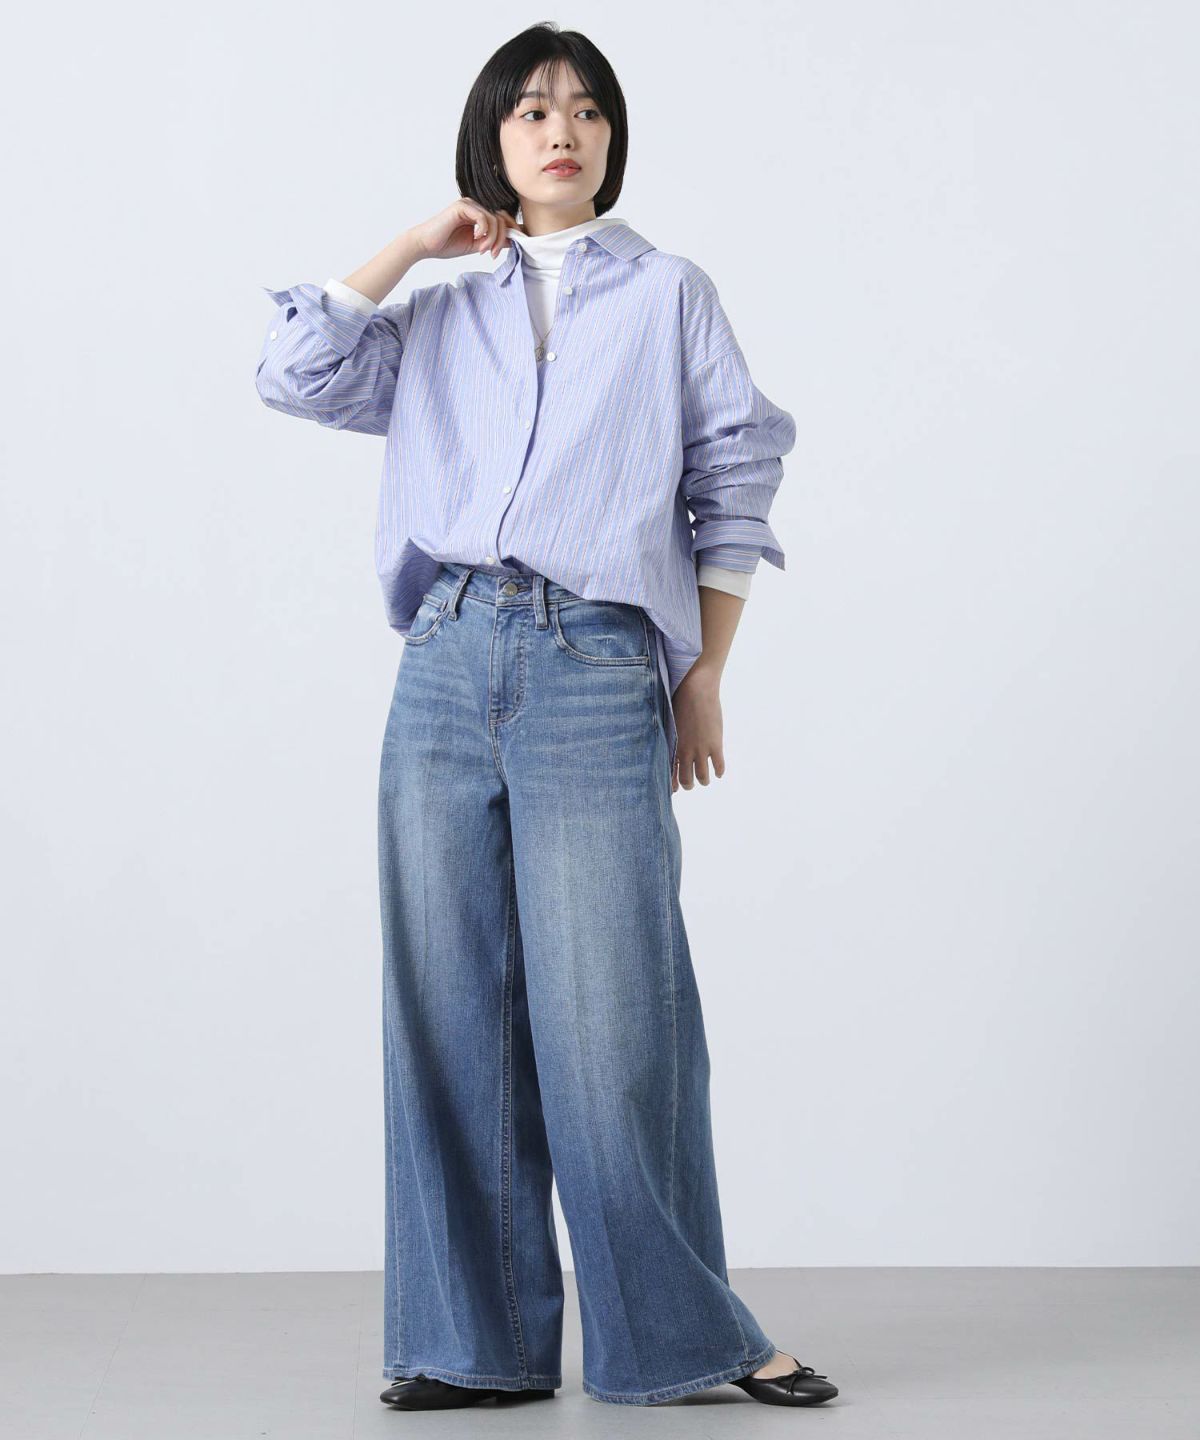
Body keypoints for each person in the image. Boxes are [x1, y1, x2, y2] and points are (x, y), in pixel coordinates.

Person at [255, 21, 838, 1412]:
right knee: (447, 1006)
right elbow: (292, 371)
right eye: (529, 110)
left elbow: (734, 478)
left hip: (593, 664)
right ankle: (474, 1345)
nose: (560, 129)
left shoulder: (669, 295)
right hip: (445, 662)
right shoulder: (441, 314)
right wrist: (415, 243)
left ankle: (681, 1336)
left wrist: (701, 673)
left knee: (613, 1015)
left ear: (612, 138)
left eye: (584, 109)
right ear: (493, 139)